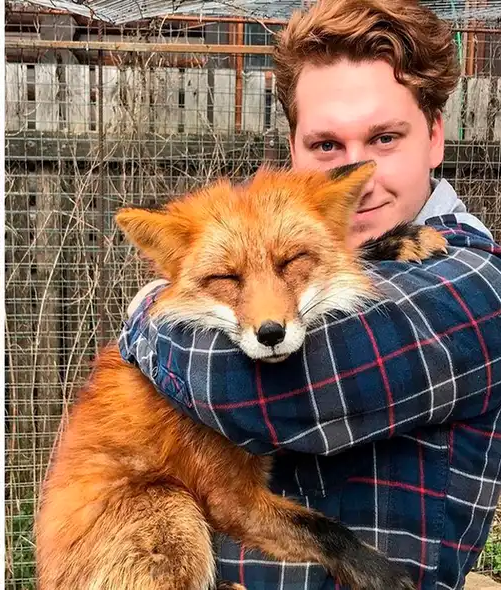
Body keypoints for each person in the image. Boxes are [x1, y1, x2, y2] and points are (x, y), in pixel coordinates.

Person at [119, 0, 501, 588]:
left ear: (433, 137)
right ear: (294, 150)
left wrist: (145, 316)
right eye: (325, 145)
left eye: (385, 138)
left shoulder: (476, 283)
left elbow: (244, 389)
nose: (359, 175)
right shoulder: (295, 252)